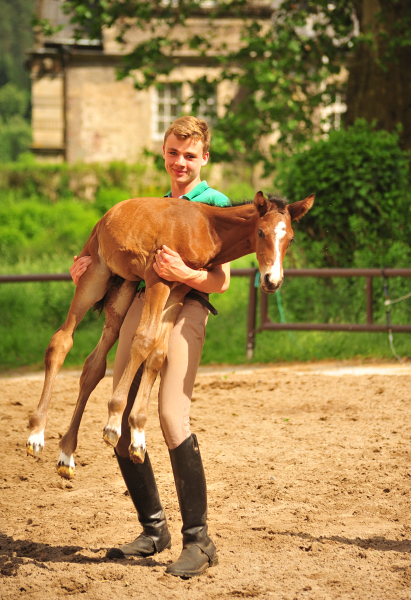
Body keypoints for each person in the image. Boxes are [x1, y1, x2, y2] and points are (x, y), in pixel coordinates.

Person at [70, 116, 231, 578]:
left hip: (189, 308)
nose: (180, 162)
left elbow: (221, 280)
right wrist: (89, 266)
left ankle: (198, 541)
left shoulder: (216, 204)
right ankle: (153, 528)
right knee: (116, 411)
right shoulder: (151, 207)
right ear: (165, 155)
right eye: (173, 153)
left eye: (190, 155)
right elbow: (124, 267)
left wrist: (188, 275)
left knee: (169, 415)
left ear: (204, 159)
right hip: (142, 307)